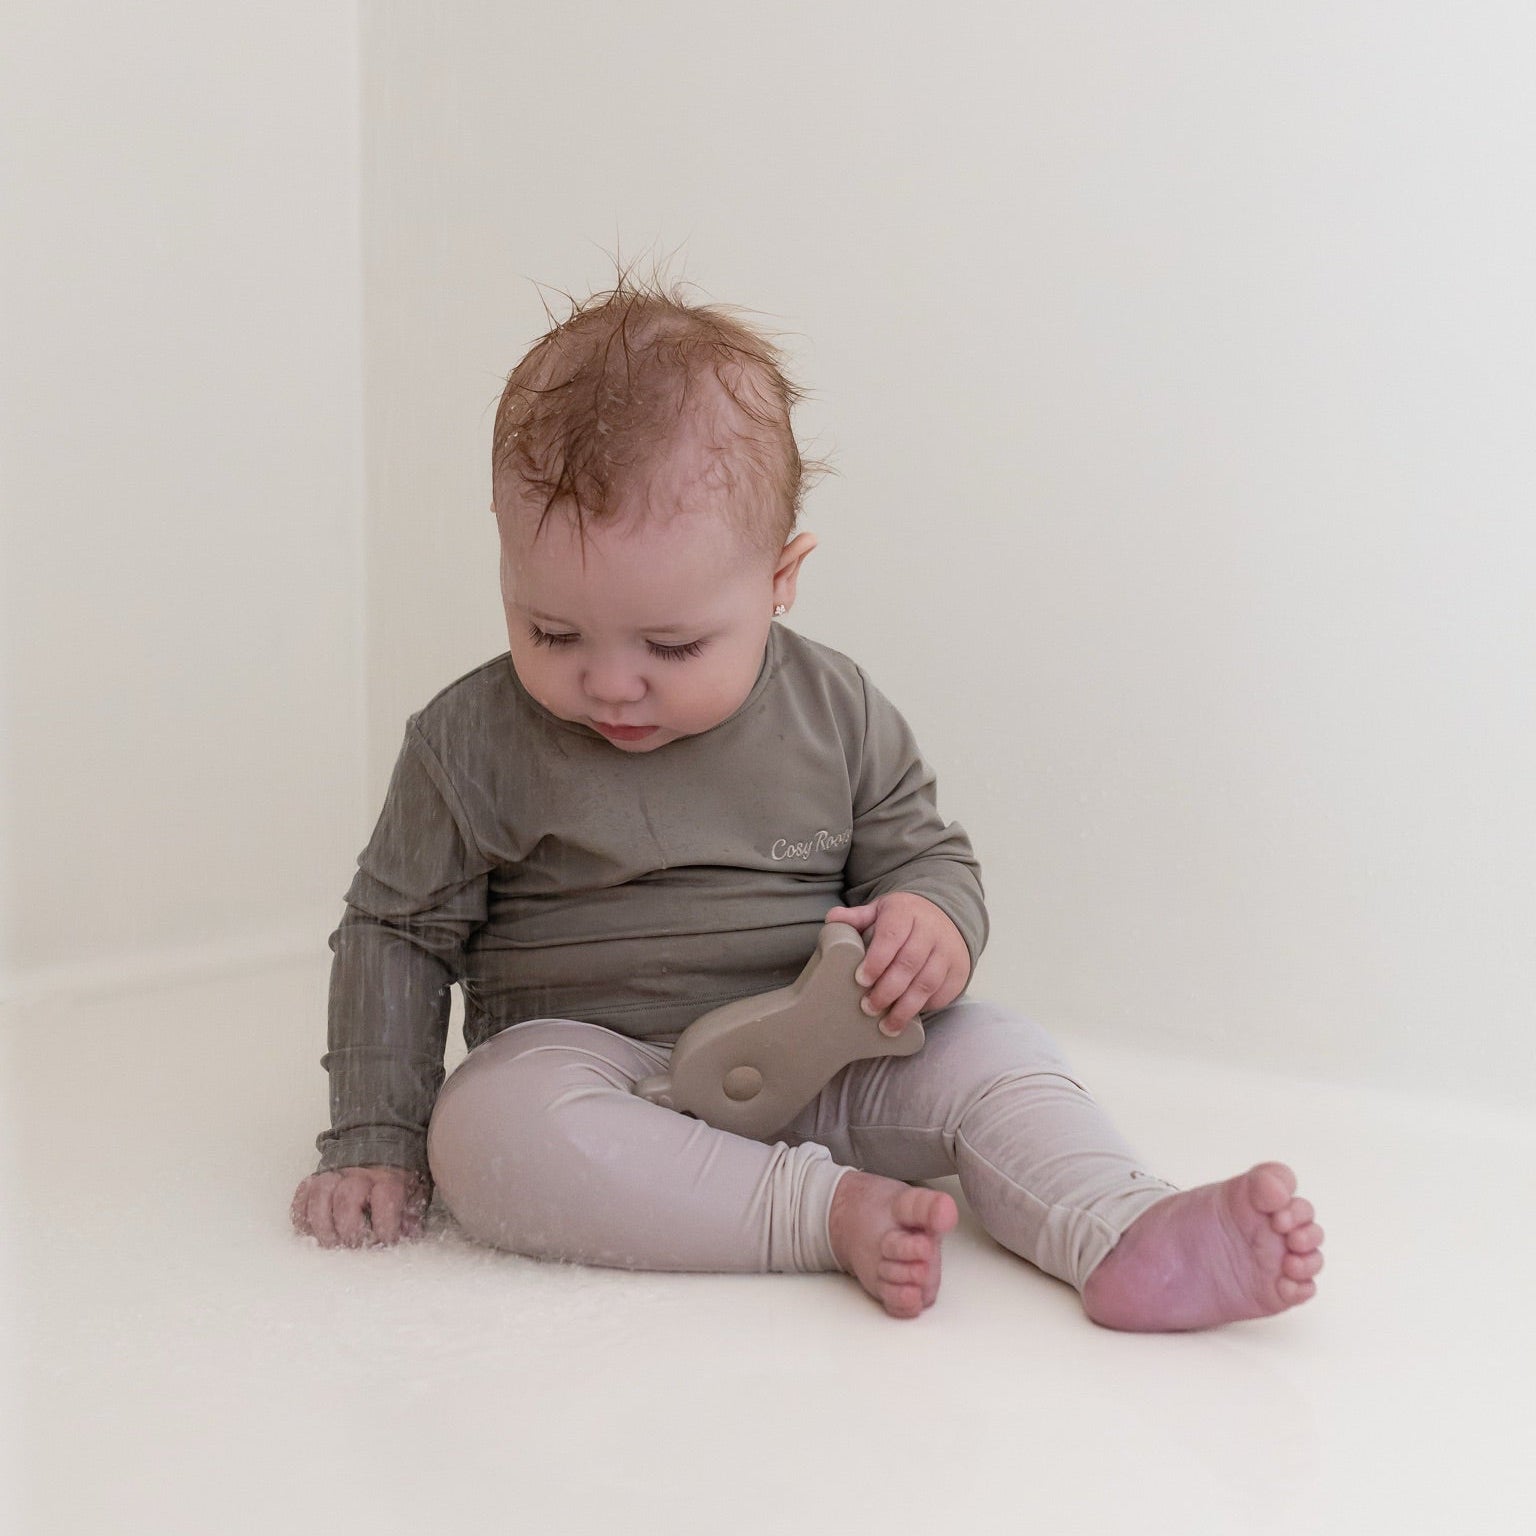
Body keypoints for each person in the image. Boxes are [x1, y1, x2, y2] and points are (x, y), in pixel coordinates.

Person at [290, 278, 1324, 1328]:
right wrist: (375, 1135)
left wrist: (932, 927)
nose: (609, 683)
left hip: (825, 1051)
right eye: (552, 632)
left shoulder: (835, 711)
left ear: (781, 578)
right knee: (485, 1132)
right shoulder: (468, 742)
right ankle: (822, 1213)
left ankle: (1120, 1226)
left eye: (672, 645)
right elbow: (393, 934)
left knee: (996, 1050)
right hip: (604, 1076)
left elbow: (926, 858)